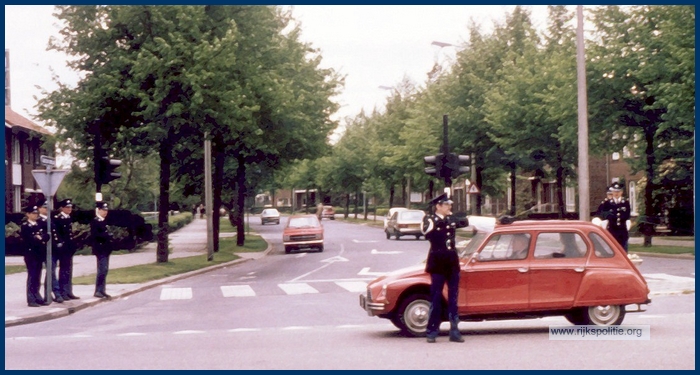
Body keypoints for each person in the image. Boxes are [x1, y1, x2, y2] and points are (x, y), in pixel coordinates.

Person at [421, 193, 467, 343]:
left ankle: (454, 331)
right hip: (438, 263)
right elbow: (426, 231)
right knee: (435, 298)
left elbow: (467, 222)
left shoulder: (450, 219)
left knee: (453, 299)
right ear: (438, 206)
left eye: (450, 205)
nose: (450, 207)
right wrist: (444, 221)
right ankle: (432, 331)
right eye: (446, 205)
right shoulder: (430, 220)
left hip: (452, 263)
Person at [19, 205, 50, 307]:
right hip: (30, 254)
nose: (35, 215)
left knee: (37, 276)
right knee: (32, 276)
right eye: (33, 213)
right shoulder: (25, 226)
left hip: (39, 254)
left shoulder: (39, 224)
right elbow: (29, 239)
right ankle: (31, 298)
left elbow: (47, 236)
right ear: (28, 214)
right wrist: (39, 238)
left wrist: (40, 238)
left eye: (36, 213)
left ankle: (37, 296)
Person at [52, 199, 80, 300]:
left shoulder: (68, 218)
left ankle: (68, 291)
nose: (69, 209)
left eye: (70, 207)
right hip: (62, 249)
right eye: (67, 207)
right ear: (62, 208)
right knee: (63, 270)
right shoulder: (58, 218)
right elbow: (58, 234)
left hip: (68, 248)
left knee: (68, 270)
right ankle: (62, 291)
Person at [601, 182, 632, 252]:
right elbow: (604, 214)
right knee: (612, 251)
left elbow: (627, 215)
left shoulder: (625, 203)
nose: (616, 193)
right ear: (612, 192)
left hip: (622, 231)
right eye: (615, 191)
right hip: (612, 231)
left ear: (621, 192)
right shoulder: (607, 203)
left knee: (623, 251)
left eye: (618, 191)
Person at [92, 202, 113, 299]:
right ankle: (98, 290)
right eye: (103, 210)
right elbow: (96, 236)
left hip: (105, 249)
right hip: (100, 249)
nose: (105, 212)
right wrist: (107, 236)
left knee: (105, 270)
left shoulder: (103, 221)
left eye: (106, 210)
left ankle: (102, 290)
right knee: (102, 269)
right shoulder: (96, 222)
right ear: (99, 210)